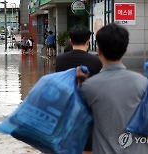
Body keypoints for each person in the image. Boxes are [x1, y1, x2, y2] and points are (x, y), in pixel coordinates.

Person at [77, 23, 148, 154]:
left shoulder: (88, 87)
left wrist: (79, 84)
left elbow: (76, 119)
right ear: (125, 50)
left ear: (98, 50)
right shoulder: (143, 83)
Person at [56, 25, 102, 154]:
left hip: (67, 108)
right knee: (88, 147)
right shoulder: (96, 61)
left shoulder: (60, 60)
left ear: (70, 41)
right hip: (88, 109)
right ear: (88, 41)